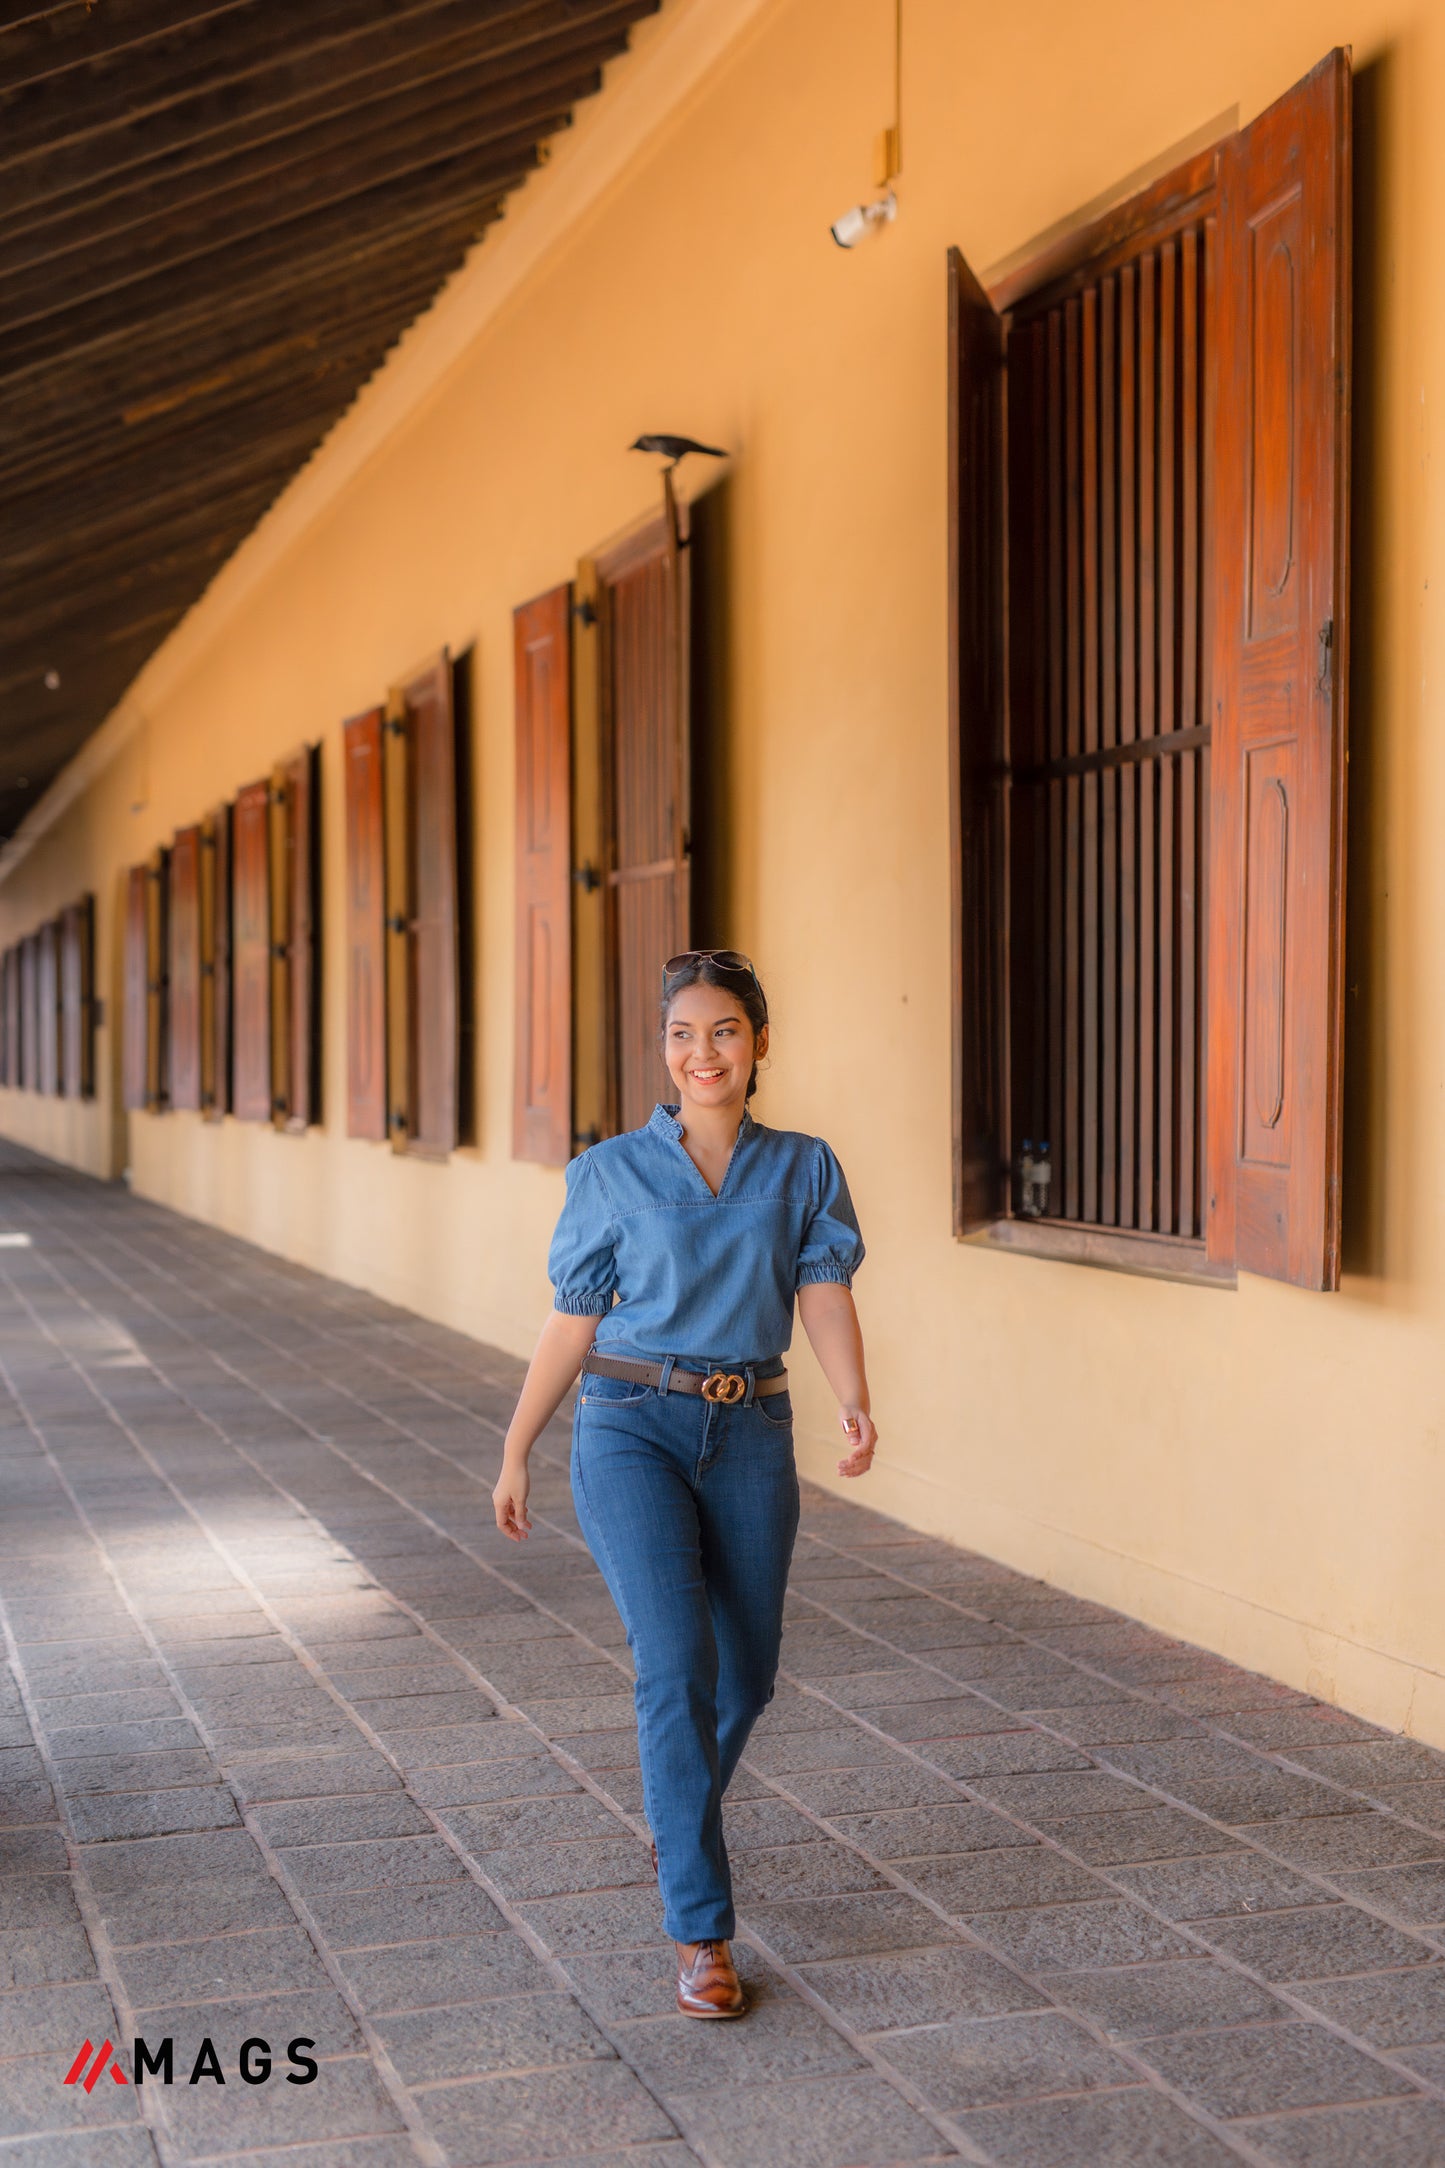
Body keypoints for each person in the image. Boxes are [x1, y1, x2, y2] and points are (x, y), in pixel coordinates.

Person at [492, 949, 875, 2019]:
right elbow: (572, 1314)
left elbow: (824, 1287)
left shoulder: (802, 1166)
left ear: (757, 1044)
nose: (700, 1051)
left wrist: (852, 1393)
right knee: (674, 1665)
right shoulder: (608, 1170)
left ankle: (675, 1808)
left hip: (751, 1421)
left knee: (744, 1674)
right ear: (662, 1049)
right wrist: (519, 1442)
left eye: (722, 1031)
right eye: (680, 1034)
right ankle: (701, 1930)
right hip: (629, 1426)